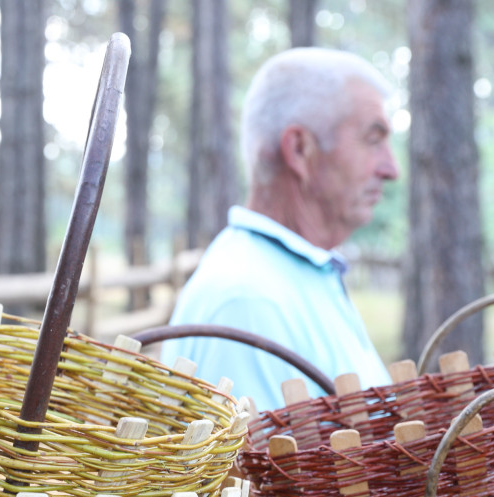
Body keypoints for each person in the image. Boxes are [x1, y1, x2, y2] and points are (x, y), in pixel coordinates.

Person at [161, 47, 399, 413]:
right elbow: (253, 471)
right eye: (373, 139)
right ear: (300, 150)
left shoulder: (295, 276)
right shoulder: (247, 303)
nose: (391, 168)